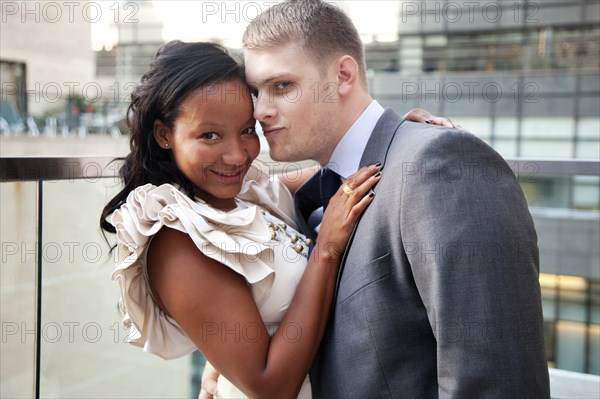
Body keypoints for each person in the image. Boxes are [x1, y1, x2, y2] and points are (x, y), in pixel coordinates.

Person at [206, 0, 550, 397]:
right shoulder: (315, 191)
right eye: (255, 92)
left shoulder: (438, 164)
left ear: (344, 75)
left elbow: (495, 377)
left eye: (282, 86)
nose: (261, 112)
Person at [100, 40, 448, 399]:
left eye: (246, 130)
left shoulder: (245, 194)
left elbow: (348, 165)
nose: (237, 155)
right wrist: (326, 249)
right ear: (164, 135)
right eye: (210, 135)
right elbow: (270, 386)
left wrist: (396, 137)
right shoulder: (176, 238)